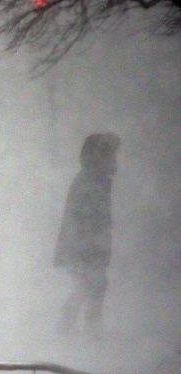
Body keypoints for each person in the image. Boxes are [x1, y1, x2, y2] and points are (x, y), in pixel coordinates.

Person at [54, 132, 120, 336]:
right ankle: (86, 330)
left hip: (85, 247)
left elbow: (94, 219)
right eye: (109, 154)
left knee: (89, 287)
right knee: (91, 286)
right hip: (84, 248)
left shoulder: (95, 180)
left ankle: (75, 329)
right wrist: (92, 246)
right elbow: (86, 220)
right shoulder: (90, 182)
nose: (114, 159)